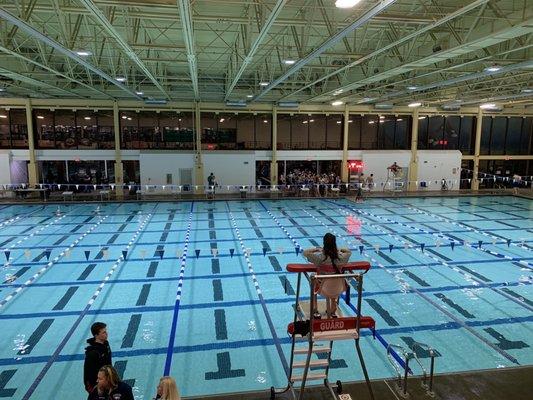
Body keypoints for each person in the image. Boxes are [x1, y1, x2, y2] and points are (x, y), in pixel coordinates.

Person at [303, 233, 352, 318]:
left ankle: (315, 310)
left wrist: (316, 249)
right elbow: (348, 251)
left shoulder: (320, 258)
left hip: (322, 289)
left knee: (313, 277)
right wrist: (338, 249)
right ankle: (333, 310)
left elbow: (305, 252)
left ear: (324, 243)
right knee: (334, 279)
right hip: (337, 288)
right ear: (335, 244)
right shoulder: (341, 258)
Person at [84, 322, 112, 393]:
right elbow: (89, 373)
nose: (106, 334)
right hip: (97, 384)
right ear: (96, 335)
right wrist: (95, 388)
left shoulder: (106, 344)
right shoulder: (92, 353)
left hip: (108, 379)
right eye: (103, 332)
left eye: (106, 331)